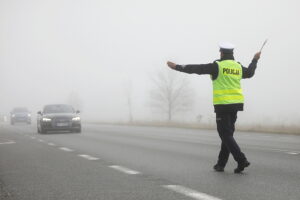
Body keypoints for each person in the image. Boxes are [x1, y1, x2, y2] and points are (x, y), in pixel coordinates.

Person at [167, 42, 261, 173]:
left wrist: (177, 67)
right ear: (232, 53)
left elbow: (197, 69)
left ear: (221, 53)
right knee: (228, 135)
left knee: (225, 135)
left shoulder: (217, 66)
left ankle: (241, 160)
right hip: (236, 105)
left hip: (222, 105)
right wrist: (255, 60)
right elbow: (250, 73)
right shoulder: (238, 67)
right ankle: (221, 164)